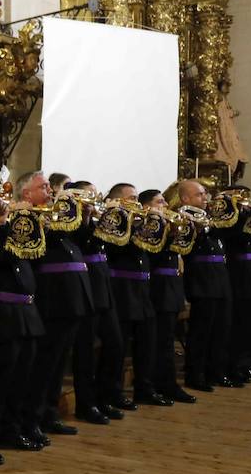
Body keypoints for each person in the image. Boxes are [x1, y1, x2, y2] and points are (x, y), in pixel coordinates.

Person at [0, 192, 45, 459]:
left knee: (22, 378)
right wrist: (0, 224)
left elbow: (35, 256)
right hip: (2, 313)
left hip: (26, 311)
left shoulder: (20, 231)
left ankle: (12, 429)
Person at [20, 171, 87, 441]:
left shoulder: (58, 216)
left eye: (50, 186)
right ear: (27, 194)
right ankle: (32, 419)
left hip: (70, 299)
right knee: (44, 365)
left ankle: (49, 413)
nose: (50, 191)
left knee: (58, 363)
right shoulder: (29, 218)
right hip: (50, 299)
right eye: (43, 187)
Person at [101, 182, 170, 408]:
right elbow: (122, 247)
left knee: (147, 344)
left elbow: (154, 252)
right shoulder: (114, 224)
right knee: (118, 348)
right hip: (122, 290)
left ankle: (145, 388)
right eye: (131, 198)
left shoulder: (141, 223)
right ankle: (113, 392)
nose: (137, 203)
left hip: (143, 292)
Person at [68, 181, 127, 424]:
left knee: (115, 344)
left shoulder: (98, 220)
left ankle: (107, 395)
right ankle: (86, 403)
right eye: (89, 195)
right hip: (87, 289)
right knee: (85, 352)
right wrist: (87, 217)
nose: (95, 199)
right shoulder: (74, 222)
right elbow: (82, 242)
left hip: (104, 288)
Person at [172, 179, 236, 391]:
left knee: (222, 328)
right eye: (199, 194)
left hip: (221, 278)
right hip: (201, 279)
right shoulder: (184, 217)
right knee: (202, 330)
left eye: (204, 194)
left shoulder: (208, 217)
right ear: (185, 198)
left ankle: (216, 371)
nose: (205, 198)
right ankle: (195, 374)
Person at [140, 188, 190, 400]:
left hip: (172, 286)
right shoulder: (146, 226)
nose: (165, 206)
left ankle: (166, 383)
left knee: (167, 339)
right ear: (147, 206)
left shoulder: (167, 223)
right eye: (160, 202)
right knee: (159, 341)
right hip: (158, 287)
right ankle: (158, 384)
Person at [219, 185, 251, 383]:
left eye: (244, 196)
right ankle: (235, 365)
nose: (242, 200)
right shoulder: (227, 218)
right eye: (237, 197)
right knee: (239, 321)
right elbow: (235, 235)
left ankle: (247, 363)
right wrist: (242, 214)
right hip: (238, 270)